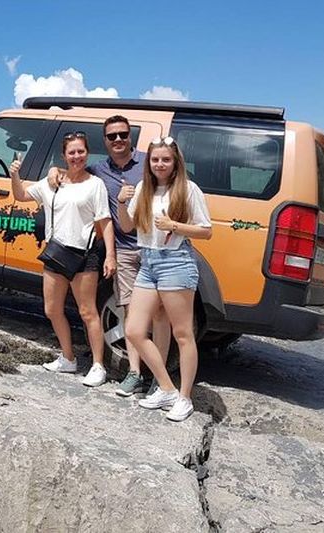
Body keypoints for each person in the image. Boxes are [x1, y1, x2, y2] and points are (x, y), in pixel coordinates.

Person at [47, 116, 171, 397]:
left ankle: (159, 377)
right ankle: (135, 373)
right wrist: (54, 170)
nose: (118, 140)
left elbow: (172, 177)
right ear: (104, 140)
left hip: (156, 247)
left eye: (123, 134)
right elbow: (74, 169)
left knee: (160, 314)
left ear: (130, 136)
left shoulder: (149, 162)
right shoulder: (99, 170)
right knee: (129, 312)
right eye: (112, 136)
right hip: (125, 249)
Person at [118, 136, 212, 421]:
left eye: (166, 159)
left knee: (183, 334)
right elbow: (127, 225)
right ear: (149, 162)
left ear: (175, 162)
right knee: (134, 330)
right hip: (148, 261)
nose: (160, 164)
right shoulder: (143, 189)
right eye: (155, 159)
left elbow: (206, 231)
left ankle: (185, 398)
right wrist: (121, 202)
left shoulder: (188, 189)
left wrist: (174, 225)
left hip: (176, 261)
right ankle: (167, 388)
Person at [11, 132, 116, 387]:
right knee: (52, 309)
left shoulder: (95, 184)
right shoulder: (52, 182)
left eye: (81, 151)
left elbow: (105, 221)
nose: (77, 156)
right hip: (56, 253)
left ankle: (98, 366)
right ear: (64, 155)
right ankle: (68, 358)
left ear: (87, 153)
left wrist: (110, 256)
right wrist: (14, 175)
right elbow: (21, 195)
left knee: (87, 312)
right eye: (72, 152)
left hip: (85, 255)